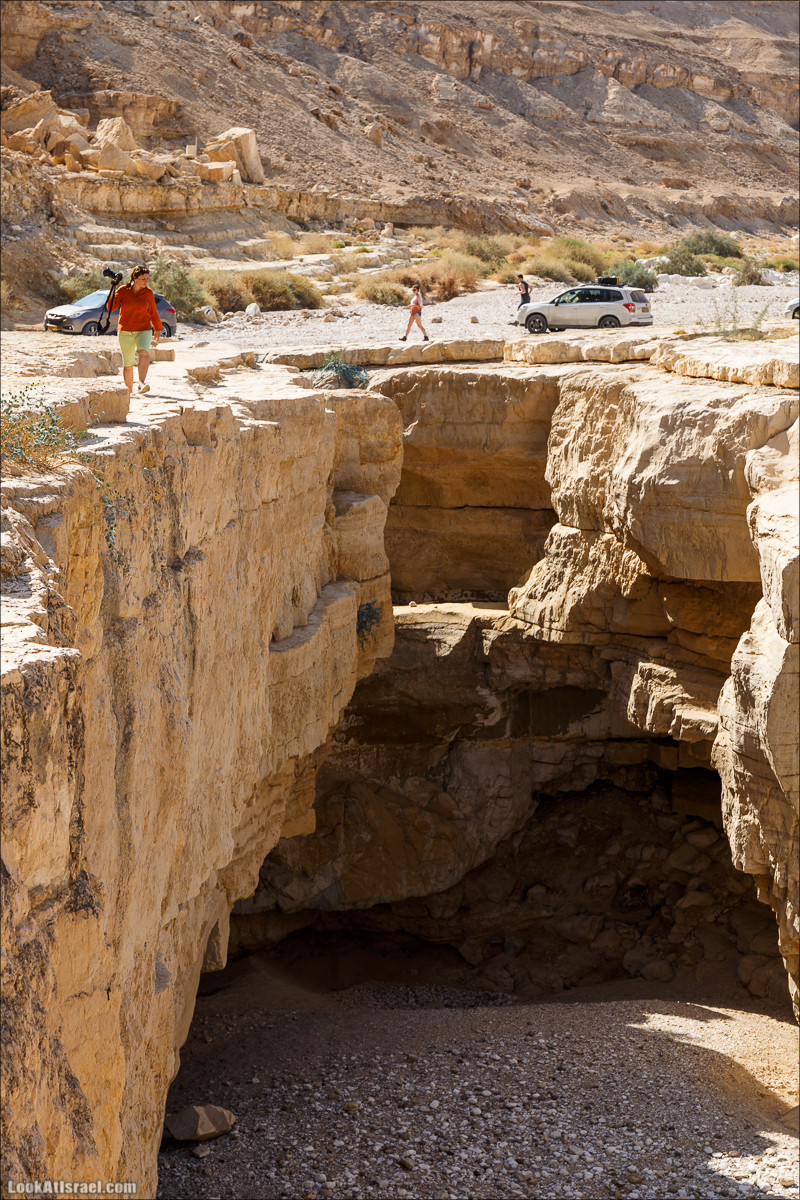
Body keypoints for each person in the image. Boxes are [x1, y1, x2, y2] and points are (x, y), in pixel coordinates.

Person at [105, 265, 162, 394]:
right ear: (135, 278)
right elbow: (110, 308)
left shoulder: (148, 293)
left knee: (144, 353)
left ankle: (141, 383)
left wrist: (157, 329)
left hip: (144, 329)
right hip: (125, 331)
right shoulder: (123, 290)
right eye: (143, 278)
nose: (146, 281)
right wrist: (113, 289)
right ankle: (129, 392)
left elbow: (153, 312)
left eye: (147, 278)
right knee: (128, 363)